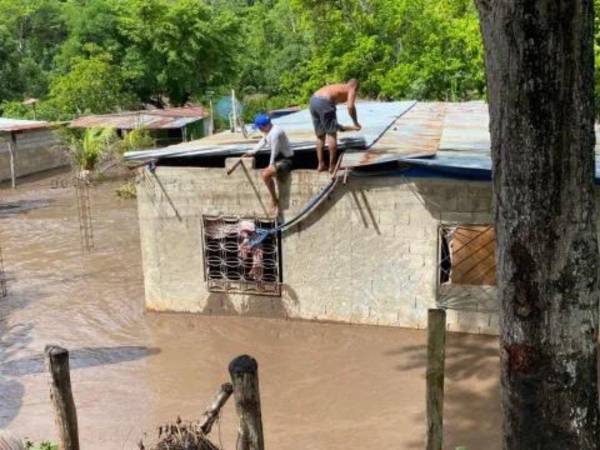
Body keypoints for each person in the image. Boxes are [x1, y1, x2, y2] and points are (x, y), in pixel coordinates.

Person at [244, 114, 294, 214]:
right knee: (266, 173)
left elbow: (274, 151)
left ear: (262, 126)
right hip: (279, 160)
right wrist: (252, 152)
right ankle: (274, 199)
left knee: (265, 174)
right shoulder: (270, 130)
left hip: (286, 160)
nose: (259, 130)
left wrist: (270, 165)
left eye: (259, 128)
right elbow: (263, 141)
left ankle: (274, 199)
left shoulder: (276, 132)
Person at [309, 79, 362, 173]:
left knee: (320, 135)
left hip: (313, 100)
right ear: (356, 87)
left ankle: (321, 164)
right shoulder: (351, 89)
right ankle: (332, 166)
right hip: (324, 102)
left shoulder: (340, 86)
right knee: (331, 134)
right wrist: (355, 122)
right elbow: (350, 106)